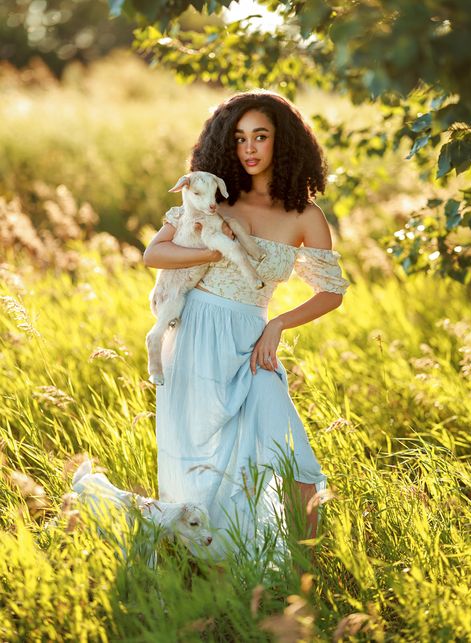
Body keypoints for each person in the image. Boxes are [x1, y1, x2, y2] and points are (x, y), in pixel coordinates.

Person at [143, 89, 350, 561]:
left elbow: (331, 291)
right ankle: (209, 562)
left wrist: (277, 324)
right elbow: (155, 253)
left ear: (284, 142)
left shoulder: (304, 215)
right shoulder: (213, 201)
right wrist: (214, 250)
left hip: (254, 341)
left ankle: (304, 572)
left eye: (261, 136)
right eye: (239, 139)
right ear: (226, 145)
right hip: (195, 333)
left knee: (298, 462)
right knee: (203, 460)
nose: (250, 149)